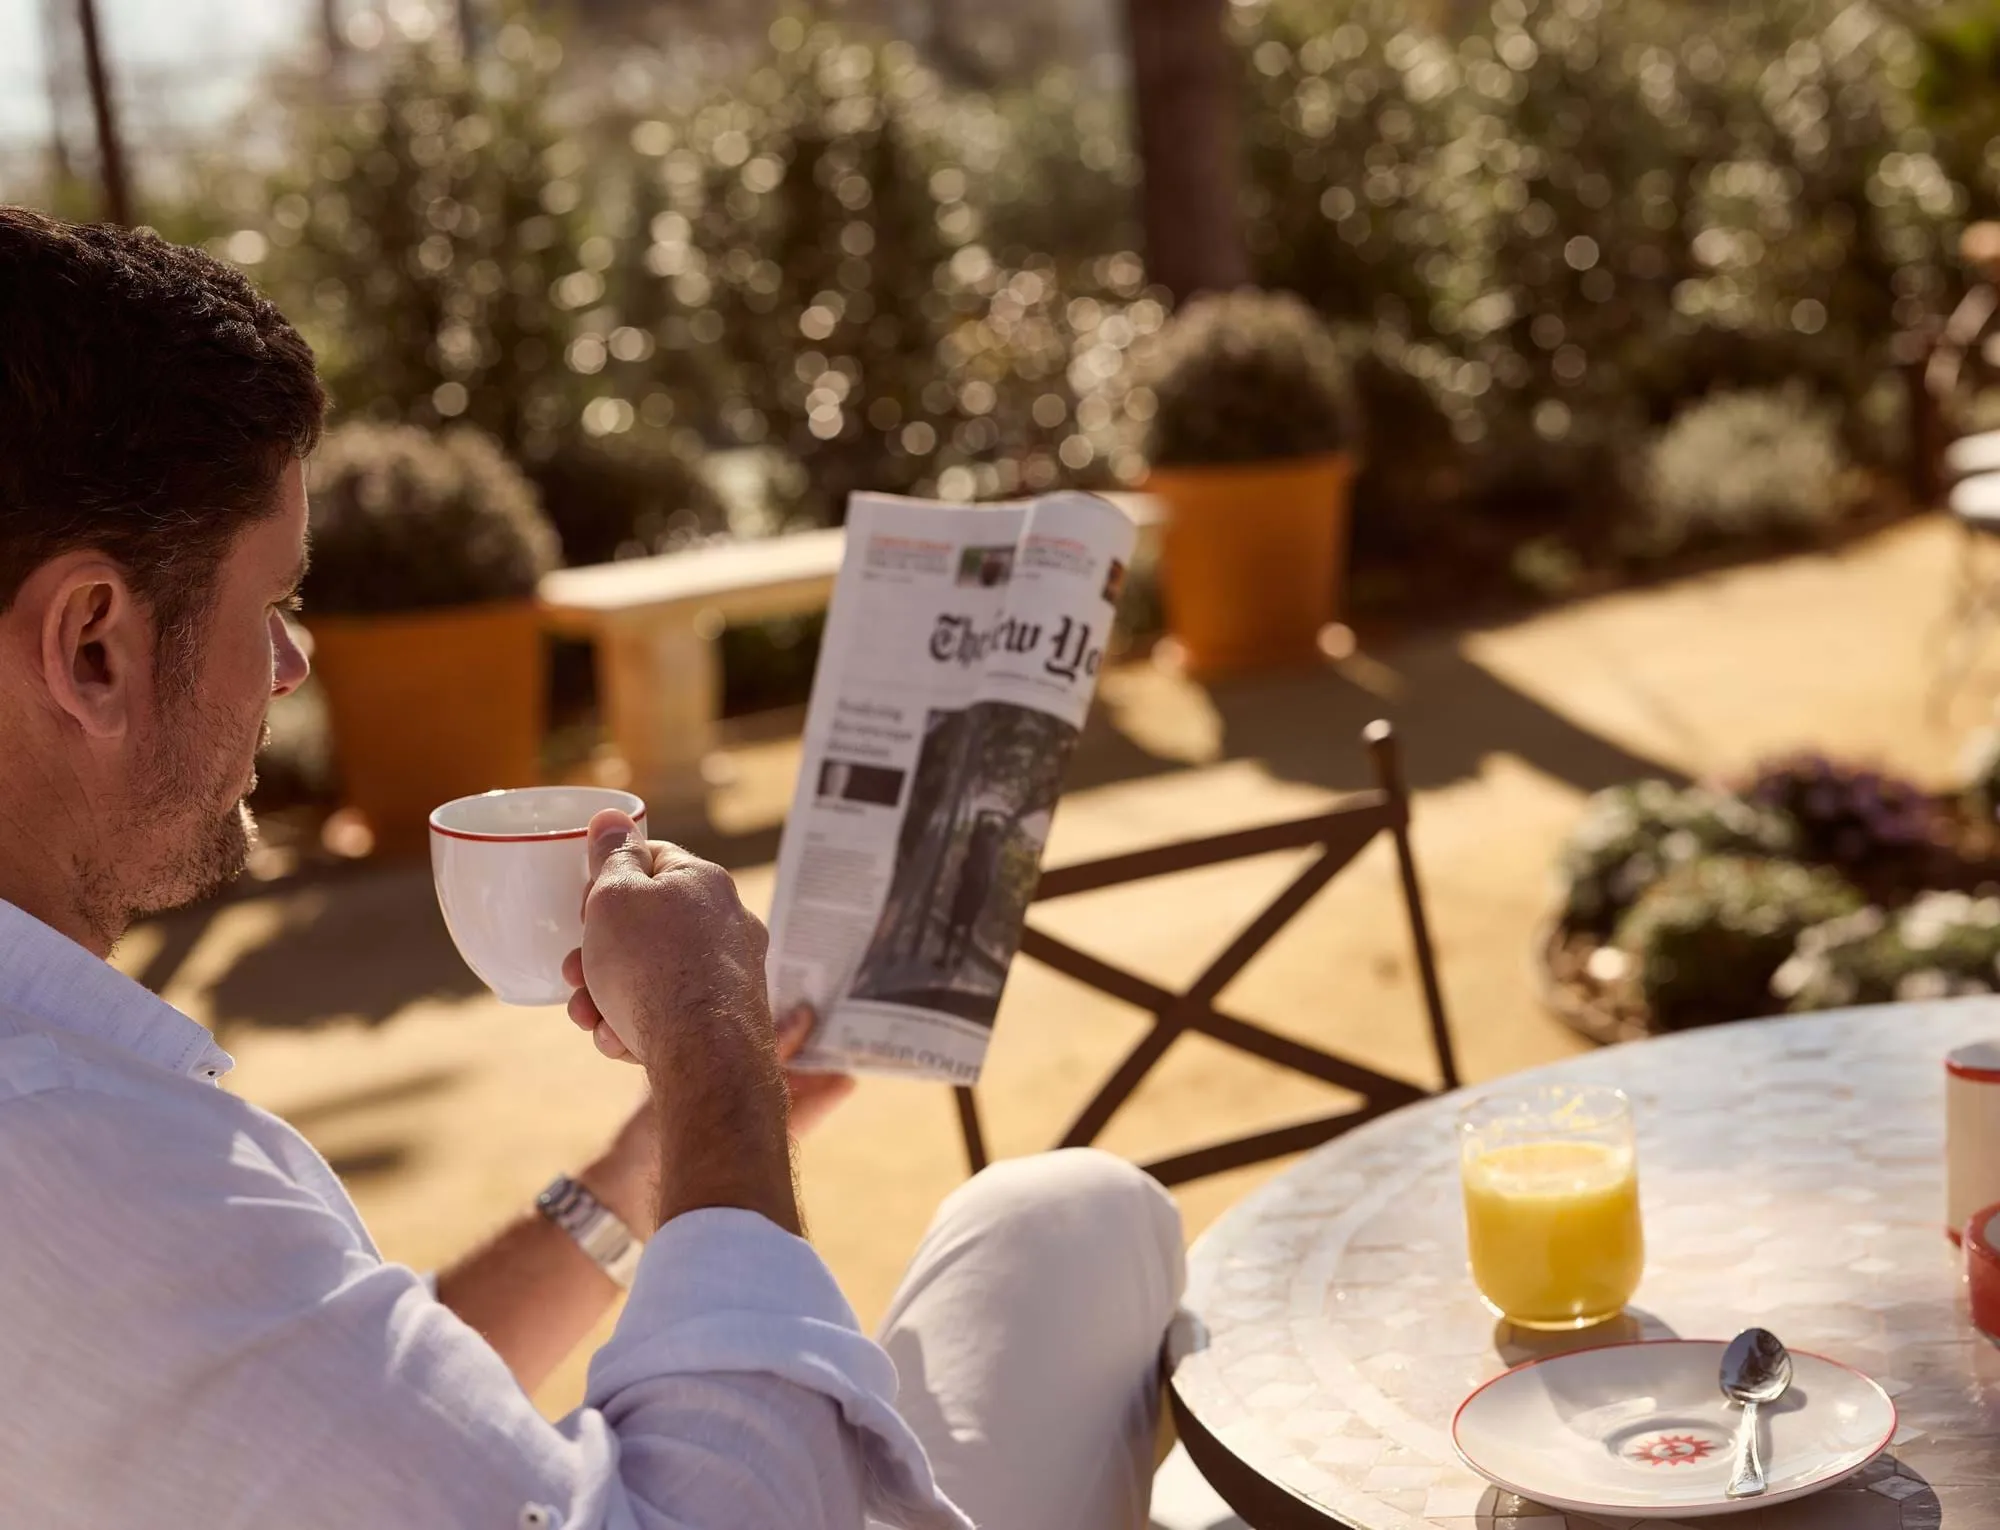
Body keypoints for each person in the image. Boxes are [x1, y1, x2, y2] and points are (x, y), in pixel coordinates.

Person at [0, 207, 1185, 1529]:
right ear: (92, 645)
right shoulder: (81, 1156)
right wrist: (712, 1048)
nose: (292, 664)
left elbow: (344, 1426)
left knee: (1061, 1209)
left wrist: (650, 1164)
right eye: (271, 603)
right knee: (1097, 1217)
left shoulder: (99, 1195)